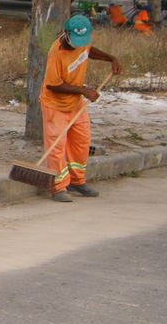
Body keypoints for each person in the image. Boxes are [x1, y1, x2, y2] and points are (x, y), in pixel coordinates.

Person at [39, 15, 121, 203]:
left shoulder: (82, 42)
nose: (78, 45)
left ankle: (77, 181)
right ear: (67, 34)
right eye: (75, 41)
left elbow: (89, 51)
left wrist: (111, 58)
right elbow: (53, 85)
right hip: (55, 105)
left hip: (75, 105)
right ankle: (58, 187)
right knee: (57, 147)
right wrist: (84, 90)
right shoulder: (56, 52)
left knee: (81, 142)